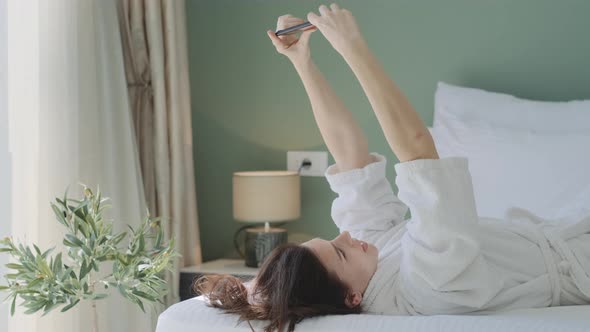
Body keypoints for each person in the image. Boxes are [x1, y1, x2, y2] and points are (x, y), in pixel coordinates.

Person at [195, 4, 590, 332]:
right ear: (353, 299)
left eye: (332, 239)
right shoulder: (429, 284)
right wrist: (354, 49)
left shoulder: (367, 262)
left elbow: (350, 155)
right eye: (341, 252)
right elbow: (418, 150)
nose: (348, 236)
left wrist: (303, 63)